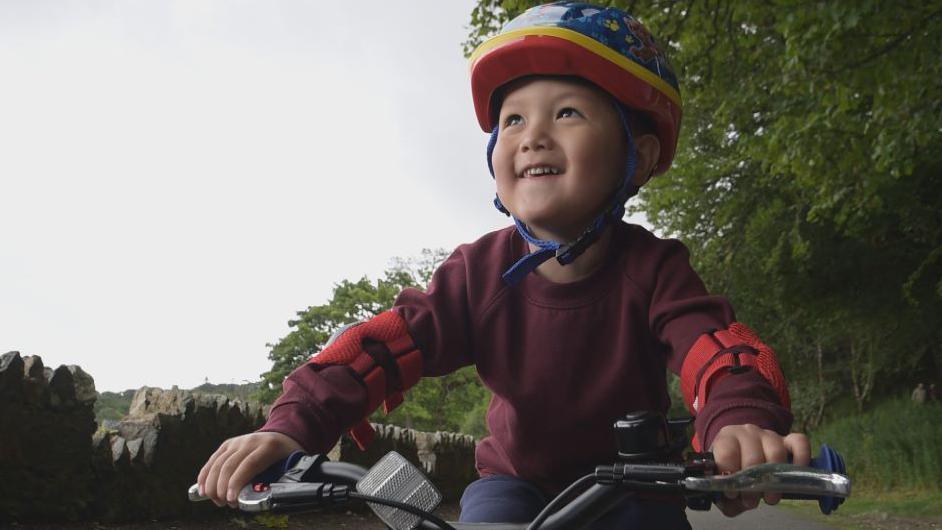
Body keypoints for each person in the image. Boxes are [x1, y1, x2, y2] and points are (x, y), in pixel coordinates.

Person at [197, 3, 809, 527]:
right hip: (513, 483)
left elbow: (717, 350)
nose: (532, 135)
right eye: (513, 119)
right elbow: (377, 349)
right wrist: (291, 428)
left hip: (638, 481)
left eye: (567, 113)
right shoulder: (476, 273)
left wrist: (741, 421)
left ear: (638, 156)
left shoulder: (654, 269)